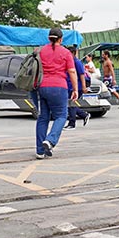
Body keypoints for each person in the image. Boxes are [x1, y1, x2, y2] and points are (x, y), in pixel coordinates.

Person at [34, 27, 78, 159]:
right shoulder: (65, 53)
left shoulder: (41, 51)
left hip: (42, 87)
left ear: (49, 38)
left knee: (43, 118)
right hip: (59, 87)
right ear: (61, 39)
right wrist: (75, 89)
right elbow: (71, 71)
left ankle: (40, 151)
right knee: (61, 116)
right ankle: (50, 140)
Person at [66, 47, 91, 129]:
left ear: (73, 53)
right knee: (70, 104)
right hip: (70, 87)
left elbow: (82, 75)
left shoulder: (77, 62)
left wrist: (83, 87)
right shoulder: (70, 62)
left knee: (72, 104)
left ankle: (72, 124)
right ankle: (84, 115)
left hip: (77, 87)